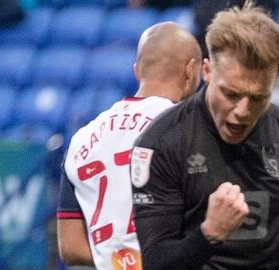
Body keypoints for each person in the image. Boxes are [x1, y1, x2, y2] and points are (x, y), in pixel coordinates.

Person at [130, 2, 279, 269]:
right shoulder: (161, 143)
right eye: (231, 94)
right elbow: (156, 263)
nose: (242, 111)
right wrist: (210, 233)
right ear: (207, 72)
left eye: (258, 98)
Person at [56, 22, 202, 269]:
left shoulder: (82, 138)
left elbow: (70, 246)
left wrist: (124, 262)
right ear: (190, 70)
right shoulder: (189, 126)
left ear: (137, 71)